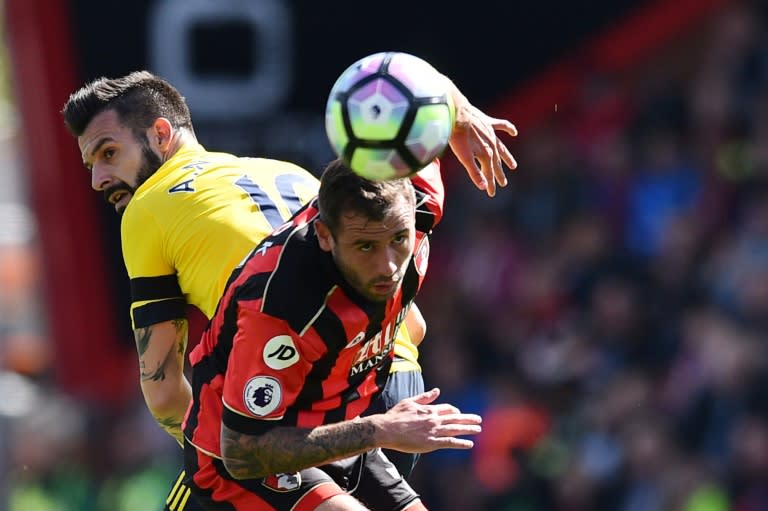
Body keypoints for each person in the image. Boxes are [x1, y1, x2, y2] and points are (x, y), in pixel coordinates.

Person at [61, 71, 430, 510]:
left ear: (161, 133)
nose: (98, 179)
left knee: (209, 477)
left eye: (109, 153)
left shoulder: (148, 205)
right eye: (91, 165)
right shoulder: (290, 173)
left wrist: (232, 439)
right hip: (396, 388)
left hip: (285, 406)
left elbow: (162, 393)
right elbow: (415, 325)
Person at [182, 78, 517, 510]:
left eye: (399, 239)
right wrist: (380, 429)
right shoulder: (282, 309)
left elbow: (413, 81)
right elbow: (243, 450)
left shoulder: (415, 200)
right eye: (365, 247)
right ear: (324, 235)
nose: (388, 266)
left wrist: (461, 113)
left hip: (339, 428)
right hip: (245, 461)